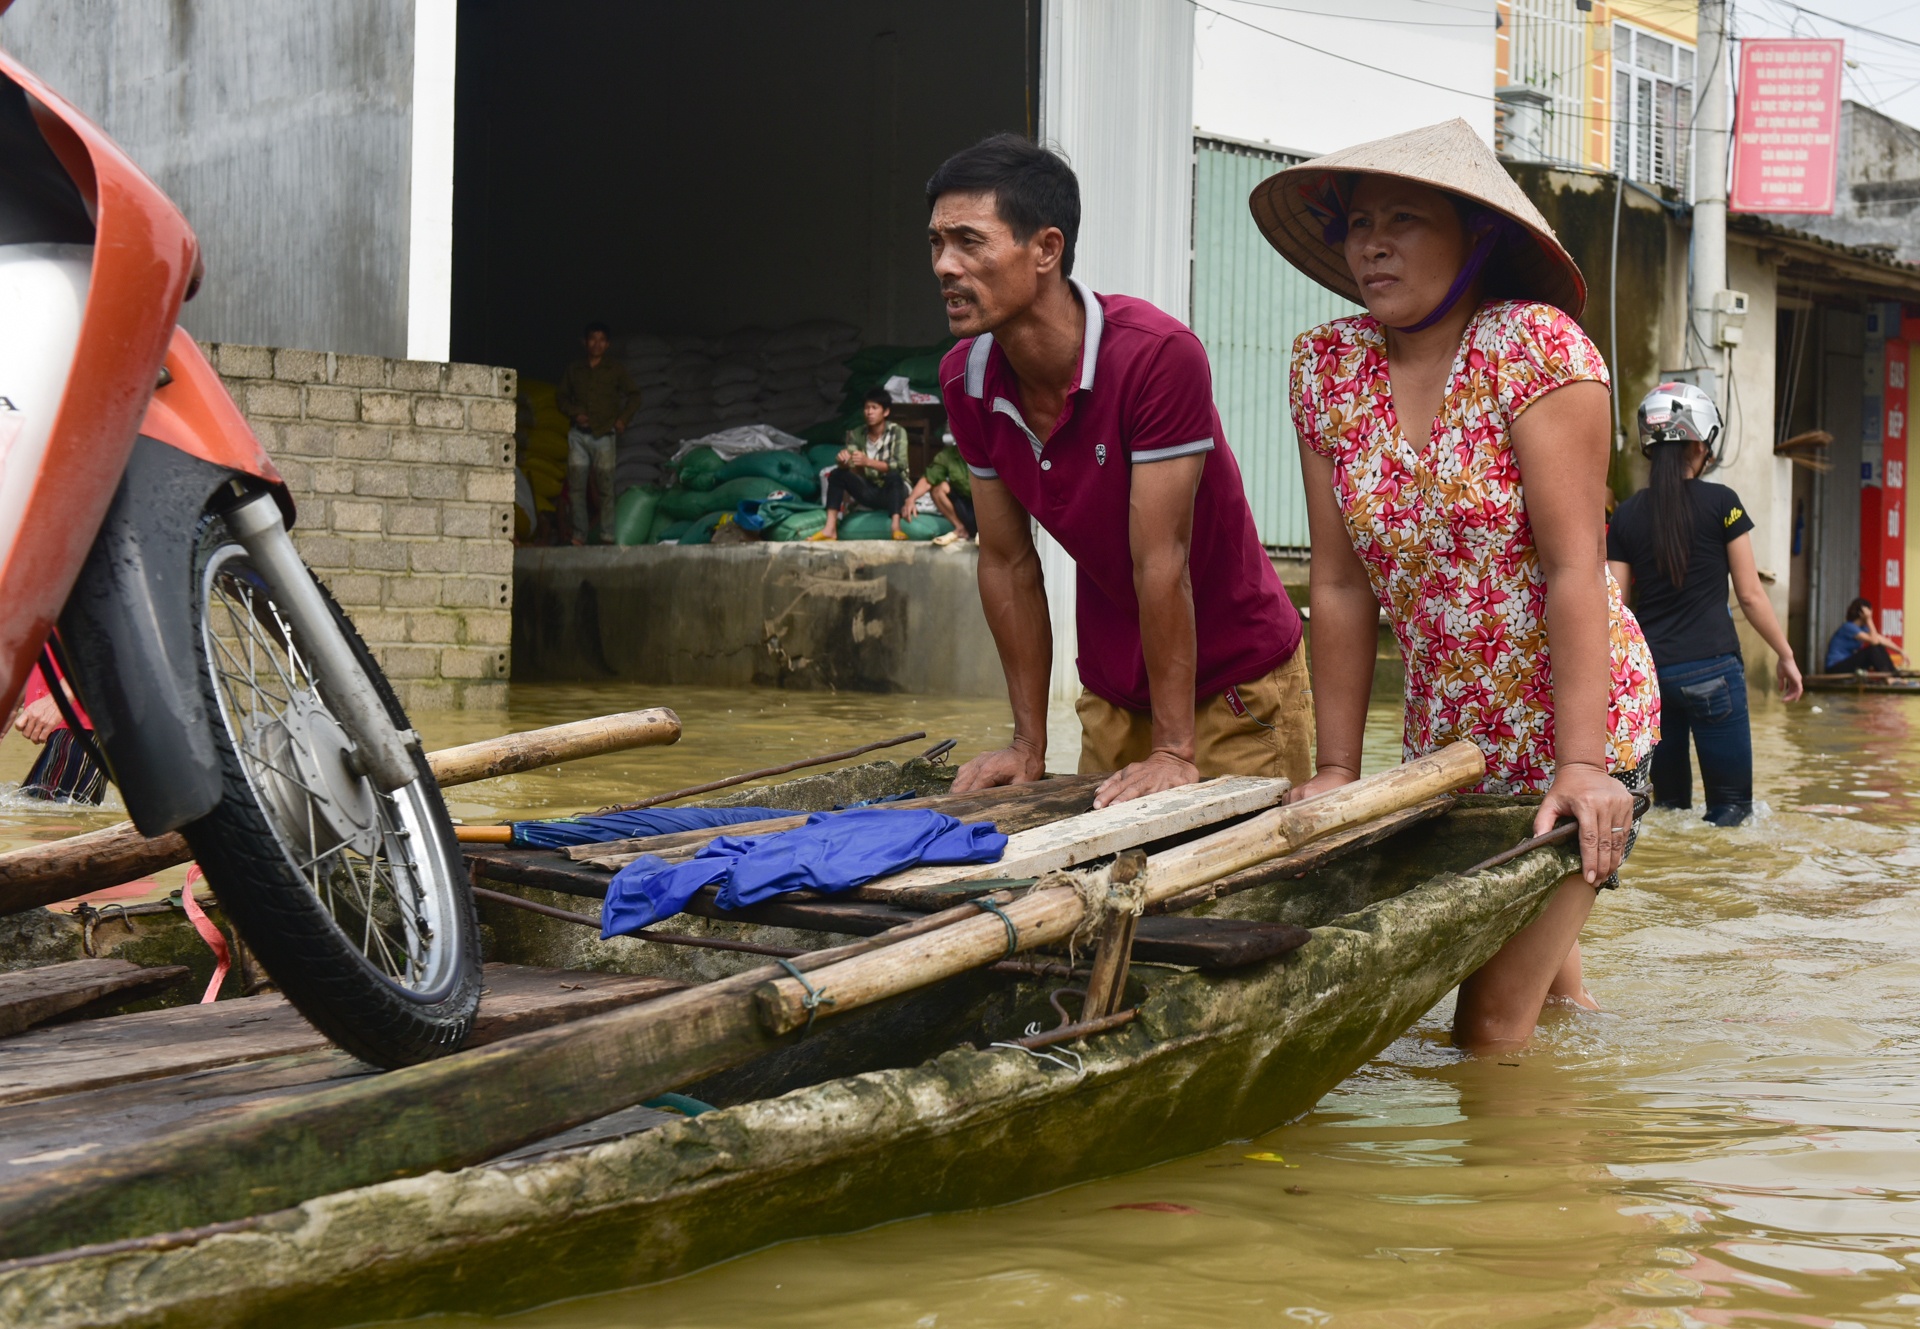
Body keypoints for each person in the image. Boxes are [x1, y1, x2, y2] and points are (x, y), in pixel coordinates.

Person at [1259, 118, 1660, 1054]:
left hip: (1582, 730)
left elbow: (1574, 570)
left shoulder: (1537, 352)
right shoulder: (1327, 369)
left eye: (1406, 219)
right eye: (1360, 222)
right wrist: (1336, 773)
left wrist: (1584, 765)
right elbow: (1341, 583)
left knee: (1483, 1029)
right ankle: (1590, 1131)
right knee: (1550, 1009)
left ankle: (1530, 1192)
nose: (1375, 242)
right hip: (1452, 747)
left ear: (1477, 237)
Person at [930, 134, 1312, 809]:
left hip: (1236, 685)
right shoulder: (967, 379)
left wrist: (1173, 749)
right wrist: (1026, 745)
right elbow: (1008, 563)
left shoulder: (1156, 358)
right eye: (936, 244)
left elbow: (1161, 559)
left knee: (1235, 897)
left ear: (1046, 249)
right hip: (1113, 689)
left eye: (968, 241)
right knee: (1103, 894)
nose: (944, 265)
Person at [1607, 382, 1803, 827]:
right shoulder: (1723, 504)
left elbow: (1615, 606)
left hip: (1653, 679)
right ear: (1702, 442)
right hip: (1713, 672)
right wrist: (1785, 655)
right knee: (1732, 813)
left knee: (1669, 811)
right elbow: (1750, 595)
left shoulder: (1626, 516)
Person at [555, 322, 641, 546]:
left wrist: (622, 420)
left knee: (605, 488)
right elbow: (561, 398)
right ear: (584, 342)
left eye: (602, 339)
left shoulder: (615, 370)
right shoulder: (574, 369)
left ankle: (607, 536)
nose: (597, 344)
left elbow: (634, 396)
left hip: (604, 435)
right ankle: (579, 536)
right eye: (593, 339)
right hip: (578, 436)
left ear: (608, 344)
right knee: (576, 488)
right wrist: (575, 413)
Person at [813, 389, 911, 541]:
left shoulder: (897, 432)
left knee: (893, 475)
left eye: (874, 408)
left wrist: (869, 462)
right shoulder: (856, 434)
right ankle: (830, 528)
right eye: (866, 408)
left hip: (894, 491)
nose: (869, 412)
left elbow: (898, 465)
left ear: (885, 412)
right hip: (870, 491)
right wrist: (843, 461)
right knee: (837, 474)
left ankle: (896, 527)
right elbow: (851, 464)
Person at [12, 662, 105, 803]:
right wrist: (12, 705)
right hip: (73, 712)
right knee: (59, 811)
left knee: (50, 815)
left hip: (84, 715)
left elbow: (106, 644)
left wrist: (58, 699)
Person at [904, 435, 976, 546]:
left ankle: (987, 533)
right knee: (939, 488)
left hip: (986, 508)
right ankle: (960, 529)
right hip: (965, 508)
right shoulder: (948, 455)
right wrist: (911, 499)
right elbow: (929, 478)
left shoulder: (987, 451)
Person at [1826, 598, 1905, 674]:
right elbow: (1874, 641)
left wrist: (1901, 651)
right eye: (1870, 613)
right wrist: (1869, 619)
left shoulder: (1862, 629)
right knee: (1871, 650)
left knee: (1879, 647)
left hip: (1847, 666)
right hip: (1835, 668)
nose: (1871, 615)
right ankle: (1889, 678)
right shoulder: (1848, 627)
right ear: (1862, 613)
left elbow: (1880, 640)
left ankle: (1894, 676)